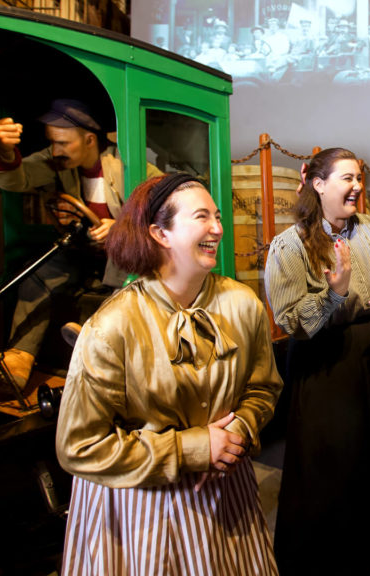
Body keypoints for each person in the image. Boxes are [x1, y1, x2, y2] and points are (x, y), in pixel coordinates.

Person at [55, 172, 283, 575]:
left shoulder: (244, 304)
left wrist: (238, 433)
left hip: (226, 498)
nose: (218, 227)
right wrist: (193, 450)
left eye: (217, 216)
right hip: (141, 510)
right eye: (202, 217)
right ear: (160, 233)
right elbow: (80, 447)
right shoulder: (111, 327)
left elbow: (263, 388)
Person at [264, 147, 370, 574]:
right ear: (318, 184)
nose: (356, 187)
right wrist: (334, 294)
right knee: (334, 462)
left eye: (358, 178)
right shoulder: (290, 245)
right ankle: (334, 556)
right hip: (328, 366)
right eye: (346, 178)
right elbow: (291, 321)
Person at [0, 99, 162, 389]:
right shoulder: (57, 160)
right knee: (38, 275)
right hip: (83, 250)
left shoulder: (128, 164)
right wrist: (5, 152)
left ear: (89, 139)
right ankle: (18, 358)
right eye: (52, 143)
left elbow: (165, 207)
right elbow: (16, 180)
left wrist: (122, 228)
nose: (55, 151)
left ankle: (100, 346)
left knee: (121, 276)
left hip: (123, 254)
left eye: (63, 143)